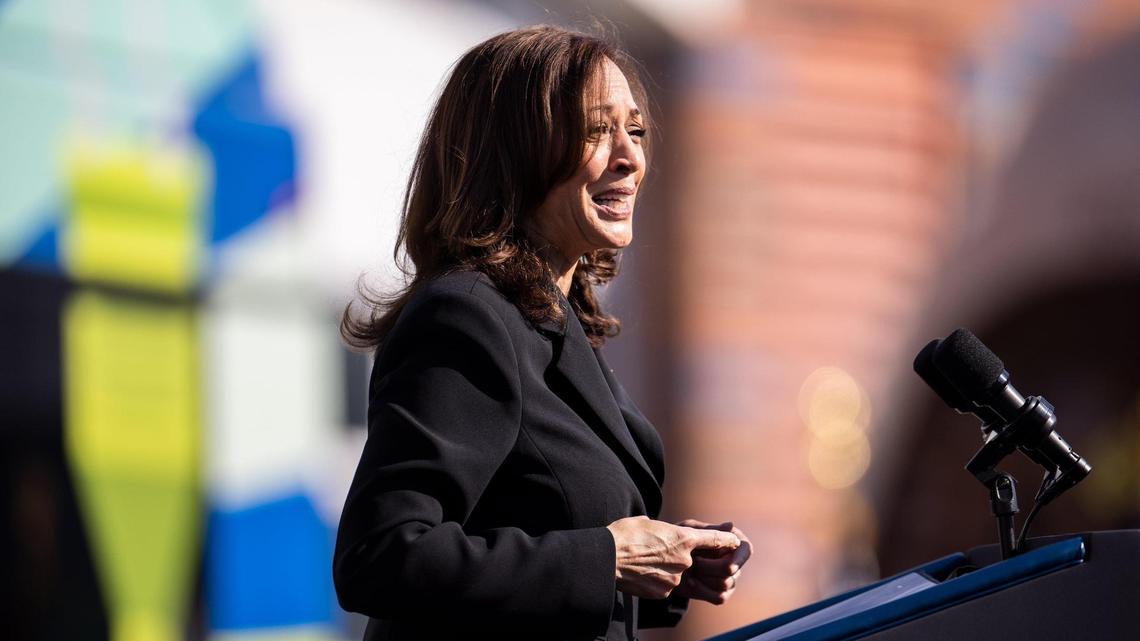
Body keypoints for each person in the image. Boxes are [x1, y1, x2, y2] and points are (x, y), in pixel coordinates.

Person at [334, 25, 752, 641]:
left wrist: (668, 562)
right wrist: (607, 559)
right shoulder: (467, 318)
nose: (631, 157)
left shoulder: (554, 323)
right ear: (512, 151)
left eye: (634, 130)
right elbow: (383, 556)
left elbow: (544, 537)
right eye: (594, 129)